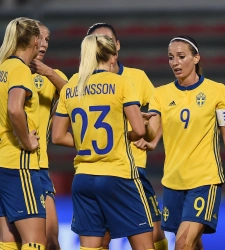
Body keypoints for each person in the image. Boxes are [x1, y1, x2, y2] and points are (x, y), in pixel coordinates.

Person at [144, 35, 225, 250]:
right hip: (173, 182)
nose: (175, 62)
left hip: (204, 180)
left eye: (181, 57)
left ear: (196, 58)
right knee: (193, 244)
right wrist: (140, 127)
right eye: (171, 57)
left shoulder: (216, 91)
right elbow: (151, 131)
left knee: (182, 244)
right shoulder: (160, 94)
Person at [51, 34, 155, 250]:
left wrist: (89, 139)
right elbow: (138, 130)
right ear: (113, 56)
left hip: (83, 179)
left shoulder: (72, 86)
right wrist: (132, 129)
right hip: (118, 175)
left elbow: (58, 136)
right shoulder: (121, 82)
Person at [87, 23, 168, 250]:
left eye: (107, 40)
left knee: (153, 232)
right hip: (98, 168)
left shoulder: (135, 77)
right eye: (96, 40)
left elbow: (158, 110)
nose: (101, 44)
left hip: (132, 170)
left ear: (118, 46)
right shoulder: (82, 81)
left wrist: (151, 137)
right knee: (102, 237)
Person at [0, 17, 47, 250]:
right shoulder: (20, 69)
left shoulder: (2, 68)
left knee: (9, 240)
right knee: (35, 241)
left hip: (1, 162)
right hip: (18, 163)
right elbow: (14, 108)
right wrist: (28, 140)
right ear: (35, 40)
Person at [30, 21, 68, 250]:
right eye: (39, 38)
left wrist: (49, 73)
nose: (43, 44)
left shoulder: (52, 77)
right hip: (10, 166)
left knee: (51, 239)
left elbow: (77, 99)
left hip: (39, 167)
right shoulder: (8, 72)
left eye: (47, 40)